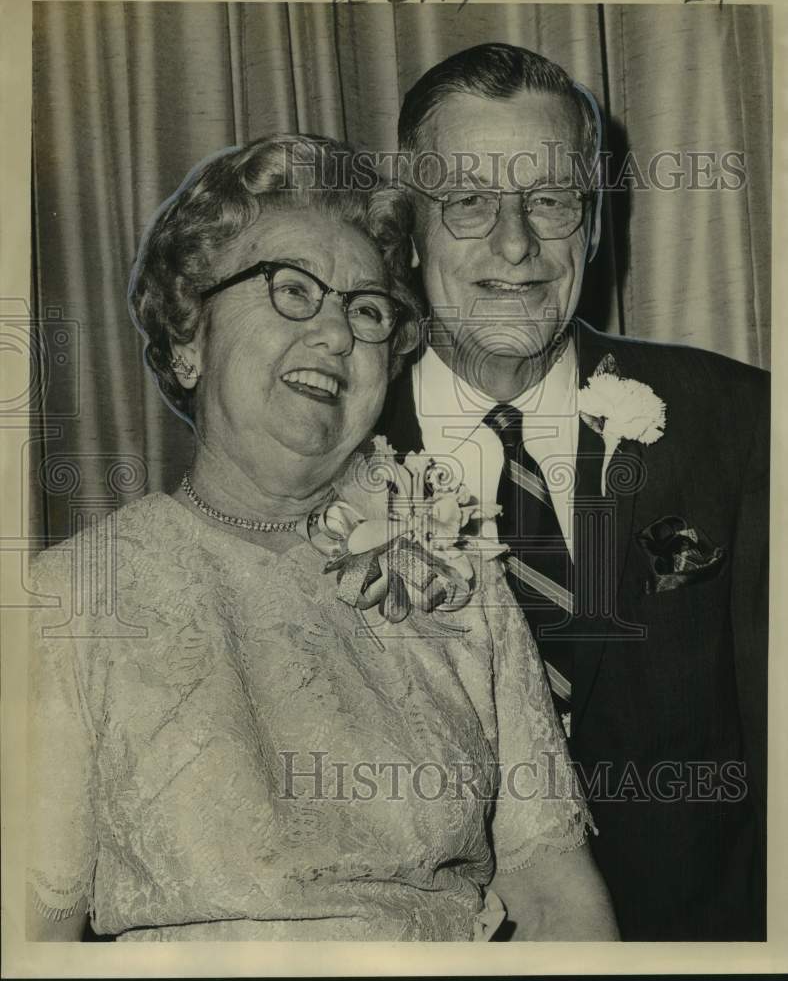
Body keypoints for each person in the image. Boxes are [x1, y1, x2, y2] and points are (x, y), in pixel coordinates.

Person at [26, 133, 619, 942]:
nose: (338, 335)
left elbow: (556, 899)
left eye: (367, 310)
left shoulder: (459, 577)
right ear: (187, 339)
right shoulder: (70, 601)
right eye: (292, 292)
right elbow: (29, 936)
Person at [377, 43, 768, 941]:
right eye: (470, 200)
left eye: (549, 199)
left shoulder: (740, 423)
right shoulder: (333, 454)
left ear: (592, 223)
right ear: (409, 227)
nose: (515, 244)